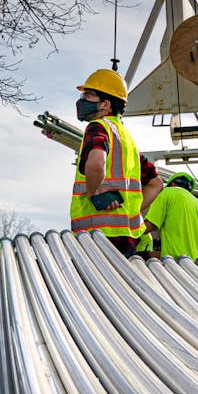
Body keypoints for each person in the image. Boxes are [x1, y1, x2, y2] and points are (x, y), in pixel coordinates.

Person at [62, 68, 163, 256]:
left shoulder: (97, 127)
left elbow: (96, 163)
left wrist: (95, 191)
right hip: (126, 238)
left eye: (88, 95)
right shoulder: (127, 140)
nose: (82, 100)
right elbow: (156, 184)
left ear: (105, 104)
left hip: (97, 238)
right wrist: (128, 208)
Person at [143, 171, 198, 261]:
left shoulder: (167, 192)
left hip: (177, 263)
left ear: (172, 184)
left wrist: (127, 231)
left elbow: (149, 226)